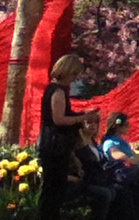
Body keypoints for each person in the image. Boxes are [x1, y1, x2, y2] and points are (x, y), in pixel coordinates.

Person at [38, 53, 100, 220]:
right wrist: (82, 118)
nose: (74, 79)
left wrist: (81, 115)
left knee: (56, 191)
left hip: (57, 146)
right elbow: (59, 119)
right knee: (53, 191)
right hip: (54, 146)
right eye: (74, 75)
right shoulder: (57, 91)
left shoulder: (58, 90)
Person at [69, 112, 139, 220]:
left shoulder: (93, 142)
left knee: (123, 189)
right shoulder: (78, 145)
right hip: (85, 181)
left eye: (95, 123)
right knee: (107, 193)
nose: (92, 125)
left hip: (98, 179)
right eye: (89, 122)